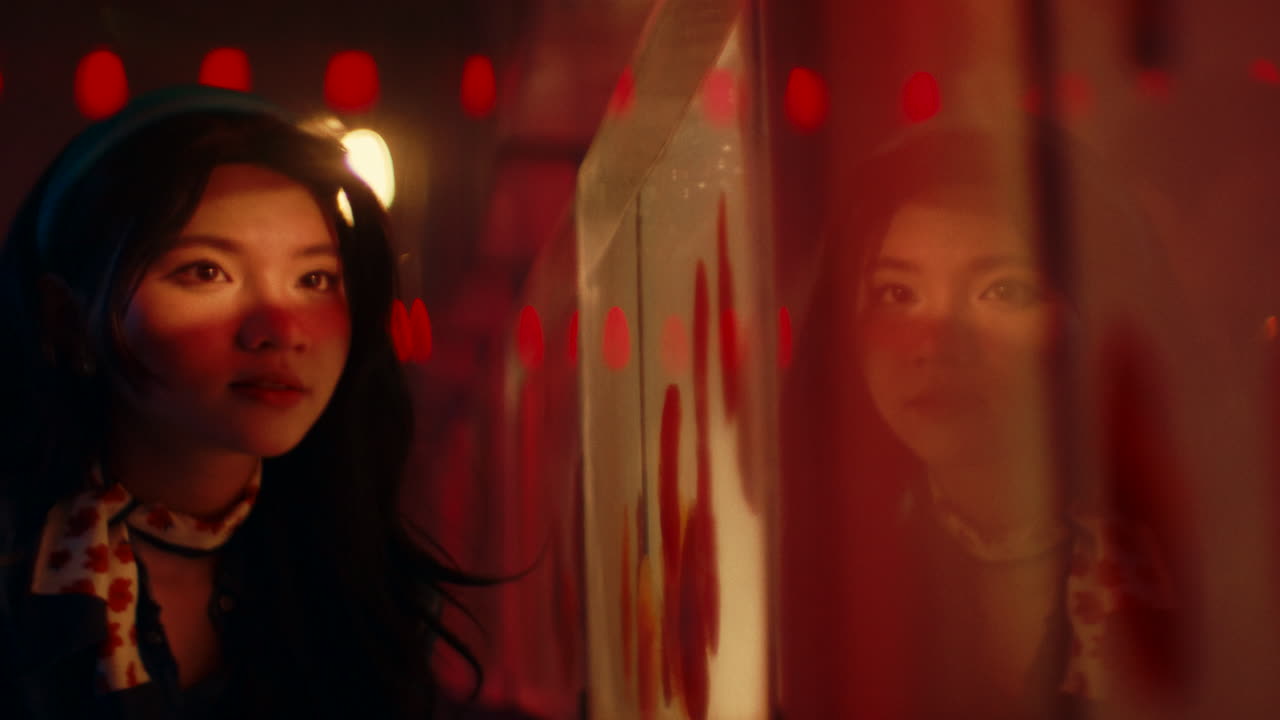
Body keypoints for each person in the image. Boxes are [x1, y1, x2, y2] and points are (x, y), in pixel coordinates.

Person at [0, 86, 478, 719]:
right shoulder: (18, 577)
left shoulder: (365, 588)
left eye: (315, 279)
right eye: (205, 271)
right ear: (66, 318)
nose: (281, 327)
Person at [780, 125, 1188, 719]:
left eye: (1005, 291)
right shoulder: (826, 574)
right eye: (896, 293)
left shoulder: (1195, 557)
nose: (936, 343)